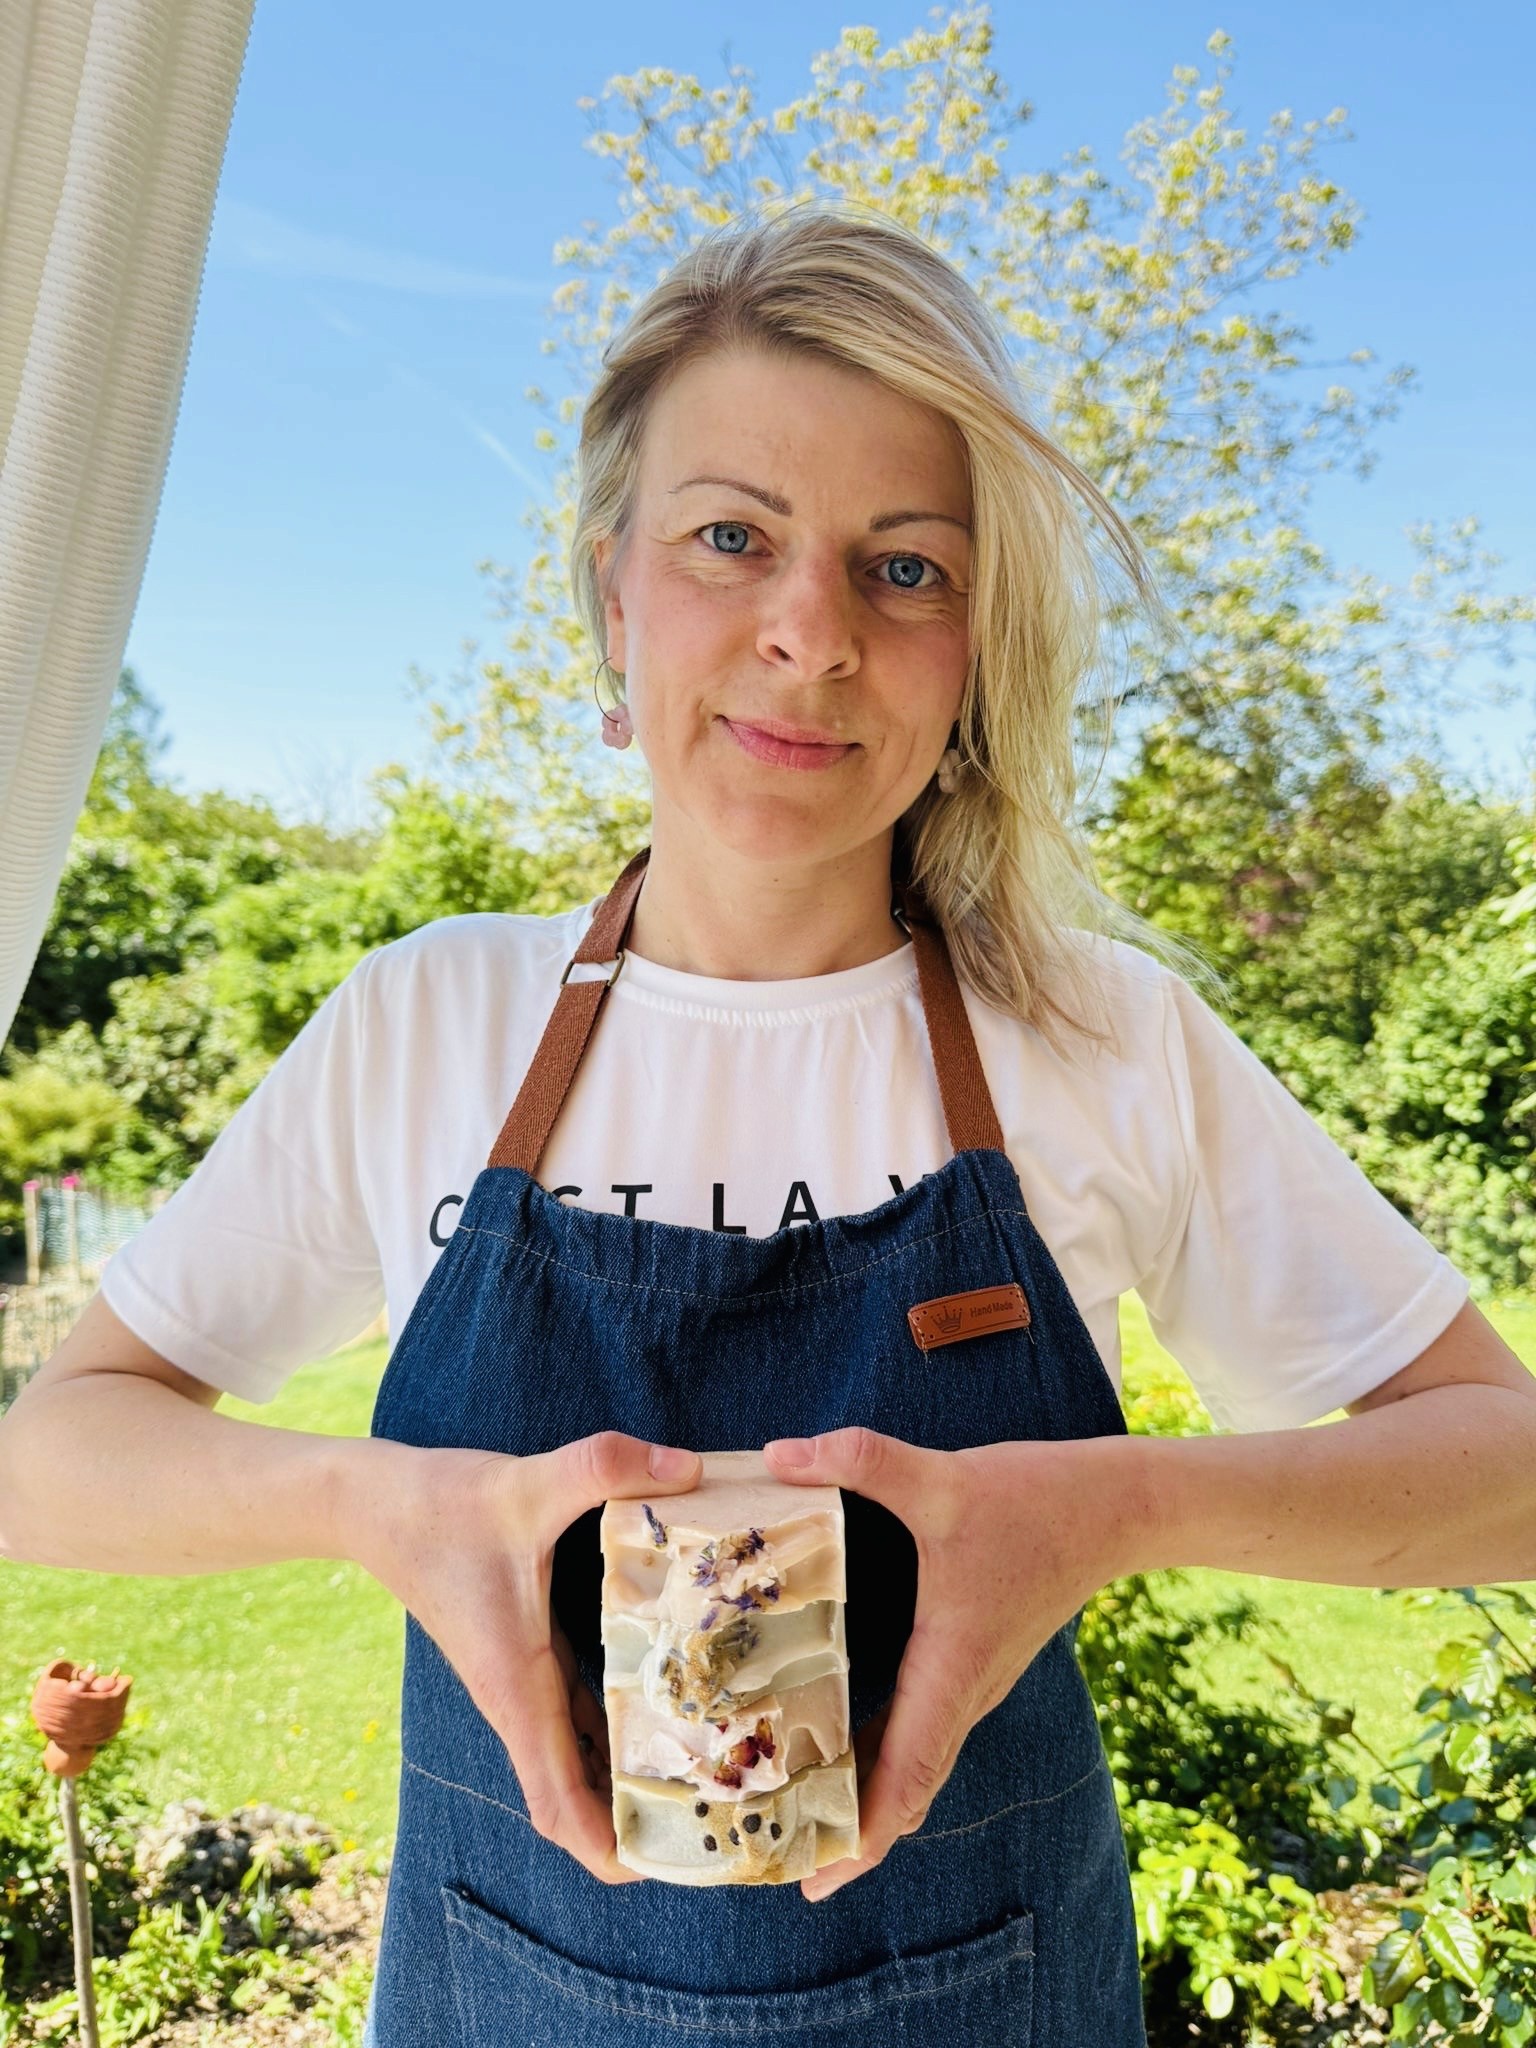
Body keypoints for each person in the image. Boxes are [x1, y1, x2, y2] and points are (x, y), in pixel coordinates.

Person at [4, 199, 1531, 2048]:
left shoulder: (1107, 1040)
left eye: (907, 568)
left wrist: (1120, 1505)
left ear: (977, 648)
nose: (811, 635)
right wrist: (372, 1503)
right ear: (614, 594)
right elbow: (49, 1462)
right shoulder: (428, 1021)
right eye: (731, 537)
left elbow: (1510, 1472)